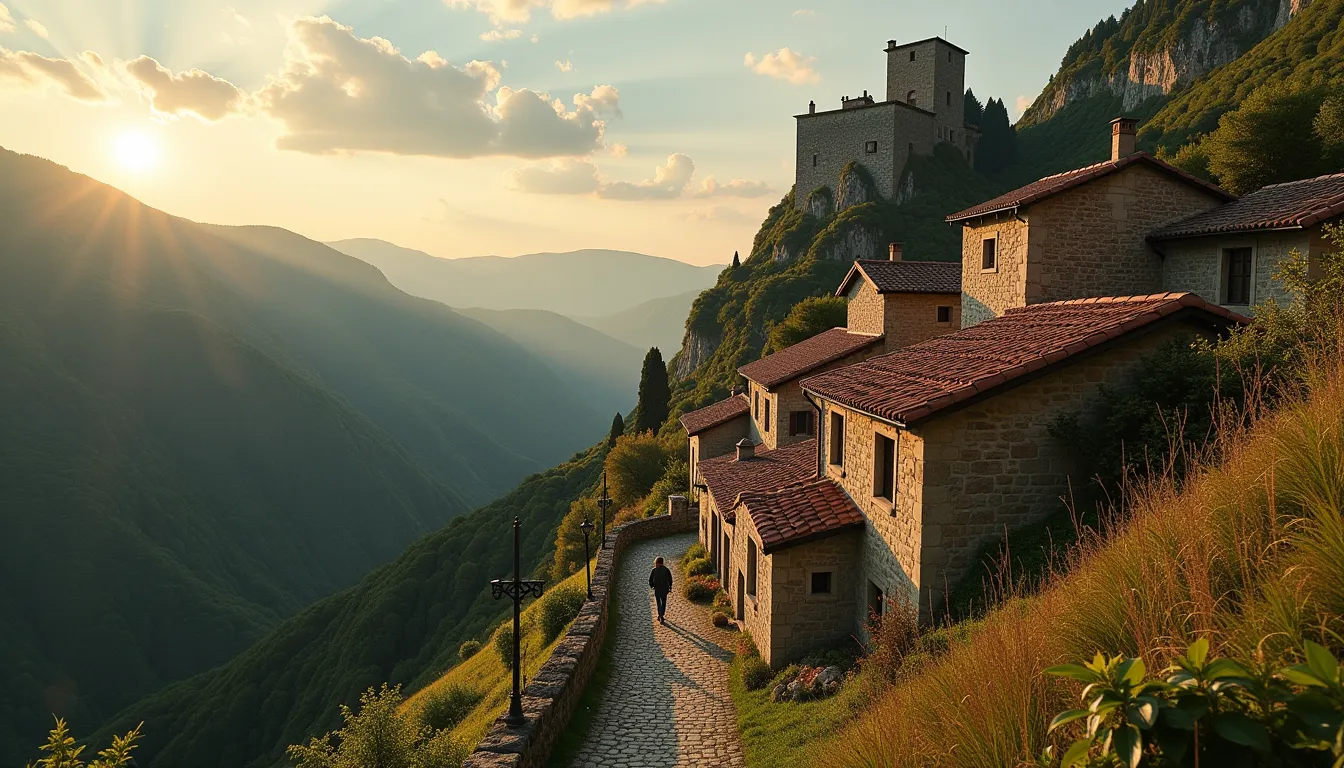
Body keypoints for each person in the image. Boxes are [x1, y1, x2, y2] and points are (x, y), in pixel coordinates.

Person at [648, 556, 673, 624]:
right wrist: (670, 587)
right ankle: (661, 615)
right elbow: (670, 579)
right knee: (663, 602)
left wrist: (652, 586)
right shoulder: (666, 570)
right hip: (664, 589)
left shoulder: (654, 570)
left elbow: (650, 580)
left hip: (657, 588)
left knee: (658, 603)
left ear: (657, 563)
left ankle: (660, 615)